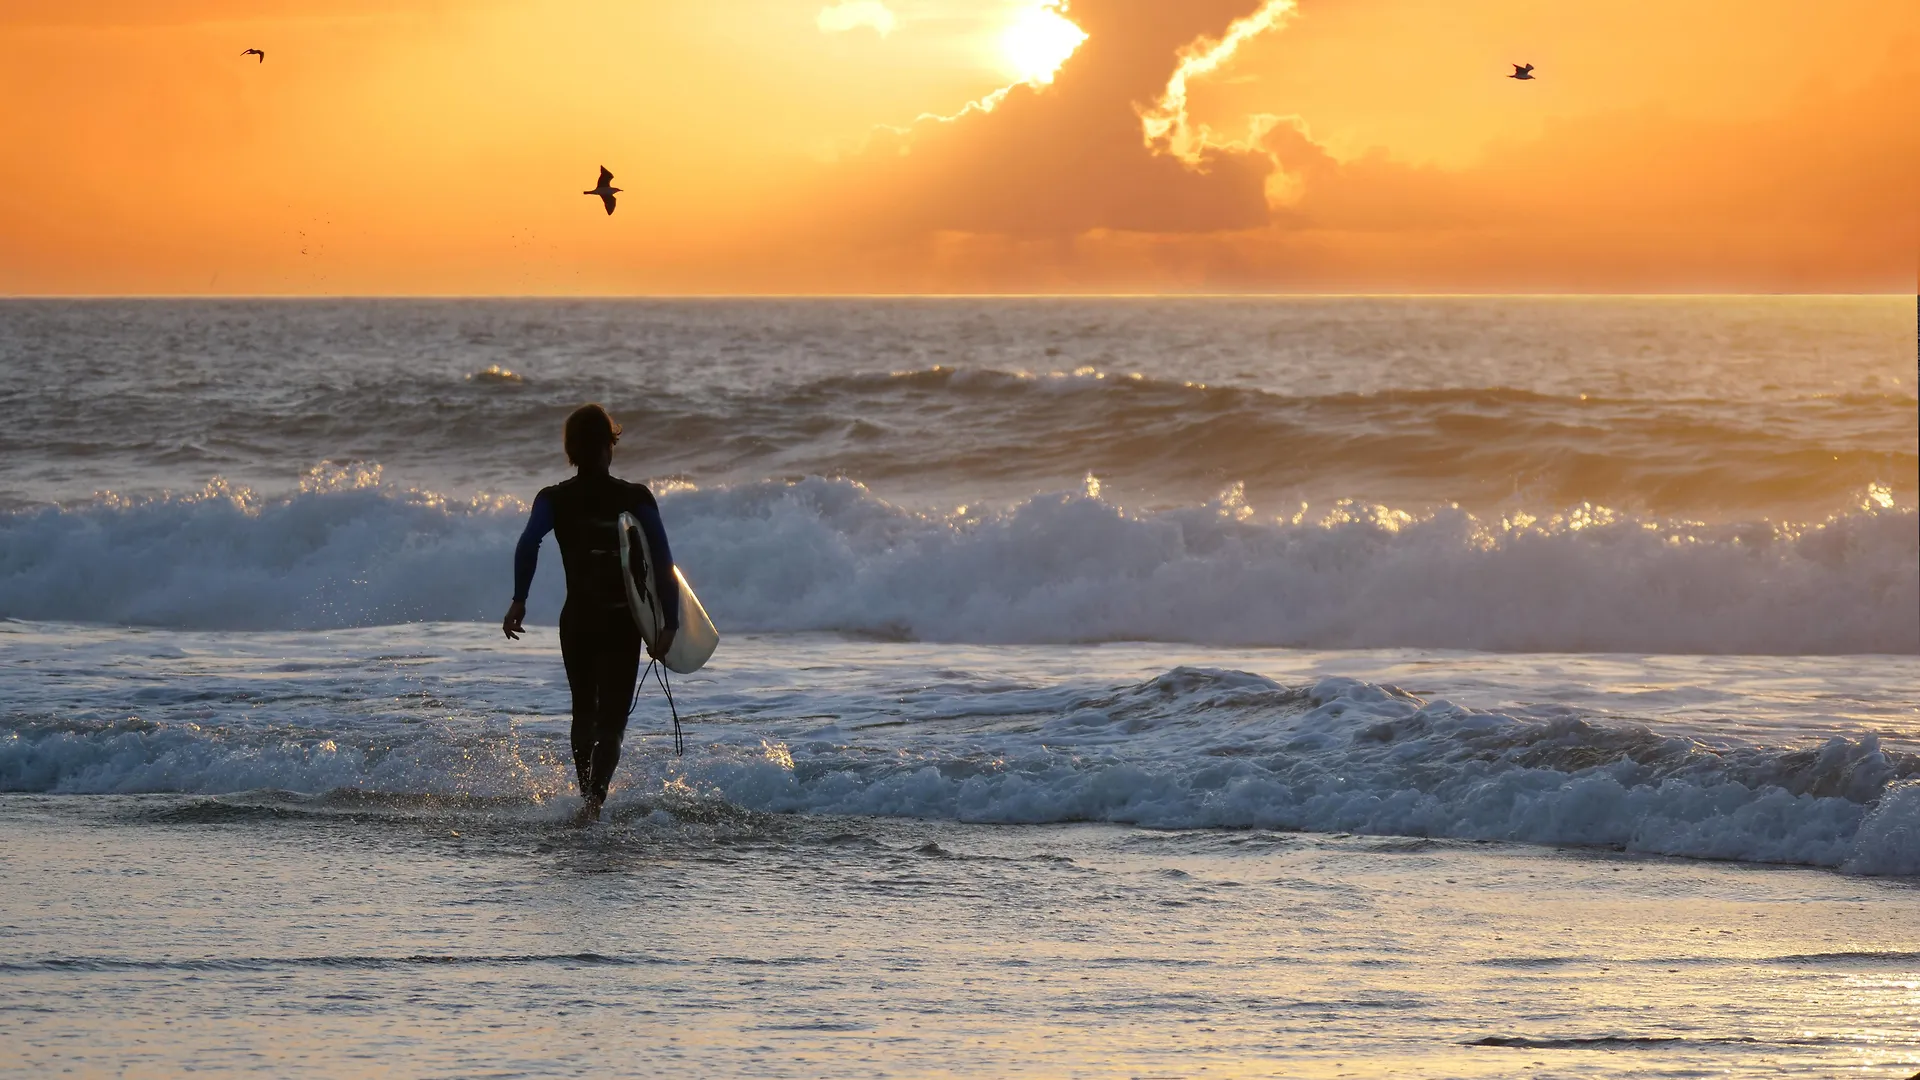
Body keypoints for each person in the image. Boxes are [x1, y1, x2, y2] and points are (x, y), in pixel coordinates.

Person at [502, 403, 678, 823]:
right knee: (613, 721)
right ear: (607, 446)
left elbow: (528, 543)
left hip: (577, 619)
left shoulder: (554, 498)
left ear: (572, 451)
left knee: (584, 710)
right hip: (621, 621)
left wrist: (519, 599)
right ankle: (595, 804)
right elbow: (663, 556)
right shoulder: (635, 496)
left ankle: (586, 799)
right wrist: (668, 623)